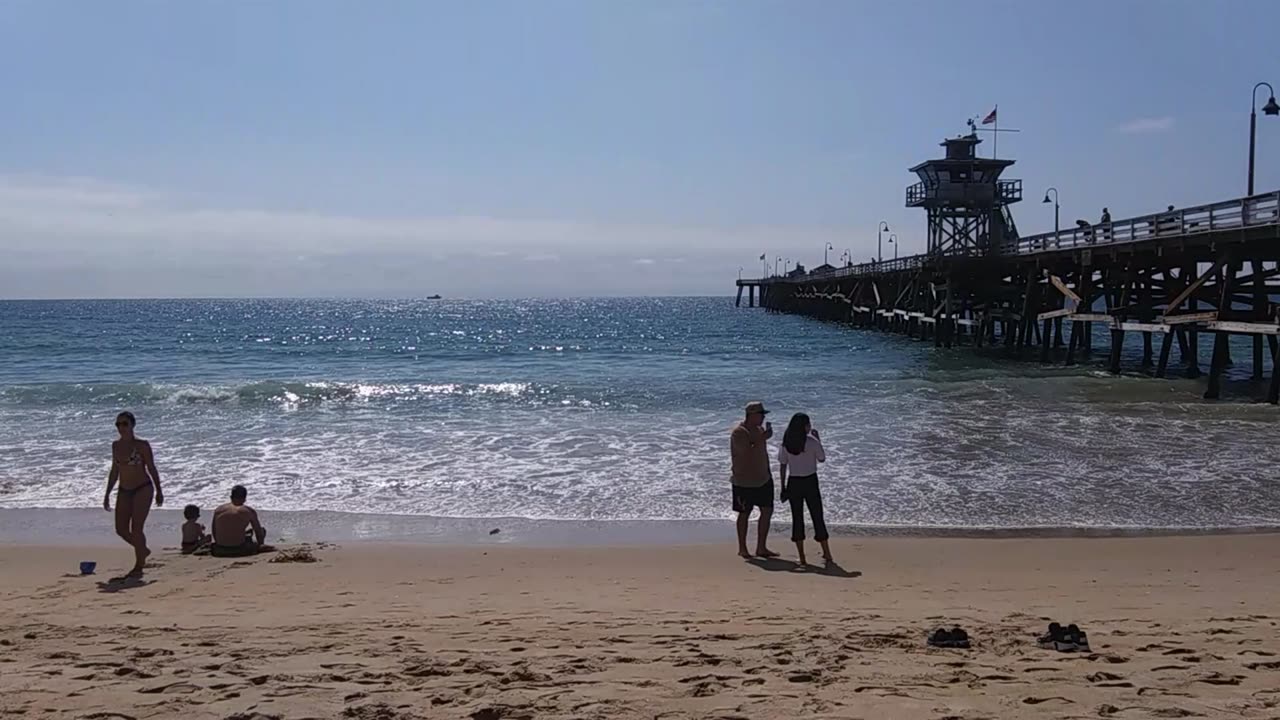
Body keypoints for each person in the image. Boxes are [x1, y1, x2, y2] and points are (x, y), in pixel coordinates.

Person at [104, 411, 164, 577]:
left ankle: (139, 565)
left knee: (136, 529)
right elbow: (115, 470)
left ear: (132, 425)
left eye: (124, 424)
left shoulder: (142, 445)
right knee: (121, 529)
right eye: (118, 424)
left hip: (142, 488)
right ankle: (142, 550)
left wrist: (159, 491)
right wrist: (107, 493)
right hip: (124, 490)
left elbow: (151, 468)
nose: (121, 428)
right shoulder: (116, 446)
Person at [778, 413, 831, 566]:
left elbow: (783, 465)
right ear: (804, 427)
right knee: (817, 515)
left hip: (793, 481)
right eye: (808, 425)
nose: (810, 427)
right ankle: (826, 552)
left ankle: (802, 557)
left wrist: (783, 487)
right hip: (810, 481)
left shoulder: (787, 443)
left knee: (797, 518)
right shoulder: (811, 441)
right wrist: (818, 439)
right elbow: (821, 458)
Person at [730, 401, 777, 559]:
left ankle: (761, 547)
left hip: (763, 478)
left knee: (767, 510)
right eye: (761, 414)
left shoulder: (760, 429)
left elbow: (762, 454)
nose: (763, 417)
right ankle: (742, 548)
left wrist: (769, 473)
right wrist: (762, 438)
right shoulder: (739, 432)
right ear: (752, 415)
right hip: (743, 480)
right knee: (744, 513)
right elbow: (744, 451)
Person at [211, 485, 269, 557]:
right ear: (244, 498)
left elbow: (214, 531)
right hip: (239, 549)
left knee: (247, 533)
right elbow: (258, 532)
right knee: (262, 530)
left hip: (219, 550)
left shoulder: (218, 510)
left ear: (231, 497)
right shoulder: (249, 511)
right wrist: (260, 545)